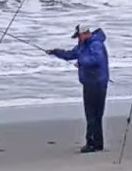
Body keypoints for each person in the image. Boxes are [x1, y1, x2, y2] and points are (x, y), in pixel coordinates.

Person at [47, 23, 110, 153]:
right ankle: (97, 143)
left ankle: (92, 143)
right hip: (91, 82)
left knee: (92, 114)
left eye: (78, 36)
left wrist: (81, 62)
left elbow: (96, 59)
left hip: (96, 83)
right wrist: (55, 52)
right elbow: (72, 54)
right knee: (95, 115)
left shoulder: (95, 44)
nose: (78, 39)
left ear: (84, 33)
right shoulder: (84, 45)